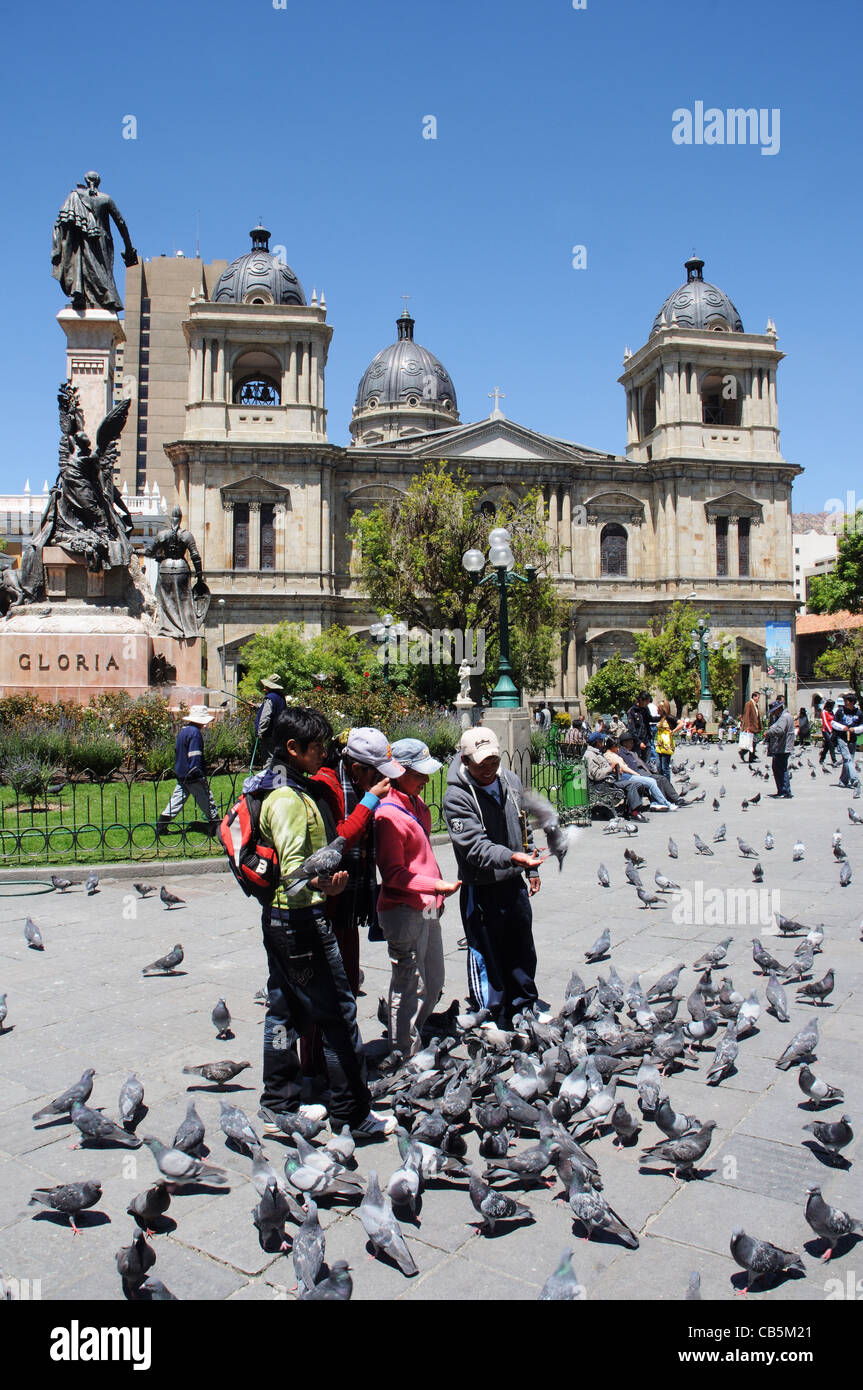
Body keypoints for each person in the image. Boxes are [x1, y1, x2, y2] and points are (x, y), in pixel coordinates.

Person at [256, 707, 395, 1138]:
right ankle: (352, 1114)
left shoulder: (291, 789)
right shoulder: (287, 801)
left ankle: (278, 1101)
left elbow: (322, 852)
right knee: (339, 1013)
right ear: (293, 748)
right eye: (317, 747)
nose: (324, 754)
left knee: (284, 1009)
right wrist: (326, 888)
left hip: (282, 920)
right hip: (300, 921)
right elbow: (296, 874)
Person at [443, 728, 546, 1026]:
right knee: (488, 952)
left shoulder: (509, 781)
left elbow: (523, 826)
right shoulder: (456, 797)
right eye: (480, 765)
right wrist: (513, 857)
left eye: (493, 761)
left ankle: (524, 1005)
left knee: (522, 947)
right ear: (465, 760)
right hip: (482, 886)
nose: (488, 770)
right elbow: (474, 847)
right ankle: (494, 1012)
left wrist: (531, 867)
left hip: (513, 881)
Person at [375, 739, 461, 1058]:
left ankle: (416, 1032)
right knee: (409, 983)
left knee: (434, 978)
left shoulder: (417, 804)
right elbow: (393, 873)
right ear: (399, 772)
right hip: (403, 909)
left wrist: (434, 893)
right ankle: (403, 1052)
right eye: (419, 773)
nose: (426, 780)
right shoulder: (387, 815)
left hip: (427, 906)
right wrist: (435, 885)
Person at [156, 706, 219, 836]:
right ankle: (216, 824)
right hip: (193, 775)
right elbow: (195, 755)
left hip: (182, 773)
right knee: (206, 798)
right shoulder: (195, 733)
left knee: (177, 800)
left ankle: (161, 825)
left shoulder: (184, 731)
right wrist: (198, 773)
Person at [604, 735, 677, 811]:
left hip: (625, 775)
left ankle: (656, 803)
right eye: (617, 746)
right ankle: (665, 803)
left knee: (655, 780)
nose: (618, 748)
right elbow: (624, 768)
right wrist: (637, 775)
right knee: (651, 782)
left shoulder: (615, 754)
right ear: (613, 746)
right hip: (624, 776)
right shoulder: (610, 756)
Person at [616, 732, 686, 807]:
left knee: (662, 778)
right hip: (636, 773)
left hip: (644, 772)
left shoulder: (632, 752)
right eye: (630, 741)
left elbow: (642, 763)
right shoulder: (622, 753)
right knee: (658, 779)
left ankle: (675, 799)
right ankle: (660, 802)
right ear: (624, 743)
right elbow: (627, 767)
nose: (632, 743)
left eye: (632, 741)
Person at [255, 675, 288, 766]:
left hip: (269, 734)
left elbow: (266, 716)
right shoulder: (281, 697)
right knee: (276, 758)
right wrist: (257, 706)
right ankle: (276, 777)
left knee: (268, 759)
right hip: (279, 732)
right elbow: (275, 708)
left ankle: (268, 778)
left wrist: (261, 731)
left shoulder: (270, 698)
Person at [765, 698, 795, 798]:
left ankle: (784, 791)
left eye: (774, 711)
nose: (773, 713)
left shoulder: (783, 717)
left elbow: (780, 730)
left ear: (778, 709)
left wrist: (768, 733)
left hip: (782, 747)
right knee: (780, 768)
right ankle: (783, 790)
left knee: (780, 769)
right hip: (786, 746)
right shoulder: (788, 715)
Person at [834, 694, 863, 790]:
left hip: (853, 739)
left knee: (850, 759)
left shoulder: (858, 713)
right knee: (847, 759)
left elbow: (862, 726)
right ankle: (855, 780)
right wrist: (843, 728)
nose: (845, 702)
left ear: (852, 702)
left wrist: (855, 729)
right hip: (842, 738)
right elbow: (833, 723)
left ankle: (843, 780)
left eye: (847, 701)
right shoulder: (840, 711)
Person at [626, 692, 653, 761]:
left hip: (646, 740)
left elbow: (650, 719)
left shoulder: (645, 709)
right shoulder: (632, 711)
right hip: (637, 742)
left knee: (647, 762)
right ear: (641, 700)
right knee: (637, 762)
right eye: (646, 701)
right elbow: (631, 729)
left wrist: (662, 717)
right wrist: (639, 742)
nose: (647, 703)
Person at [739, 690, 761, 764]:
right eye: (758, 697)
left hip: (754, 727)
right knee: (752, 742)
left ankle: (751, 756)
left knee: (753, 742)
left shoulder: (755, 705)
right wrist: (747, 727)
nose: (758, 699)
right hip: (750, 727)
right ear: (754, 697)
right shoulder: (749, 704)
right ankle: (744, 752)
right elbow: (747, 716)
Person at [655, 711, 676, 777]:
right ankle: (662, 783)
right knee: (658, 766)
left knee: (665, 767)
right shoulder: (660, 718)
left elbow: (681, 723)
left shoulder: (669, 717)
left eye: (658, 708)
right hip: (659, 744)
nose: (657, 709)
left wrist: (673, 731)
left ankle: (667, 785)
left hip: (666, 745)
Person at [819, 698, 839, 767]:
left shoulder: (831, 712)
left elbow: (833, 721)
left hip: (832, 731)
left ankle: (822, 759)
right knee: (831, 745)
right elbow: (825, 722)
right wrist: (830, 731)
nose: (833, 706)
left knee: (827, 746)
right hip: (826, 730)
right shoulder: (824, 712)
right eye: (833, 705)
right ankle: (834, 760)